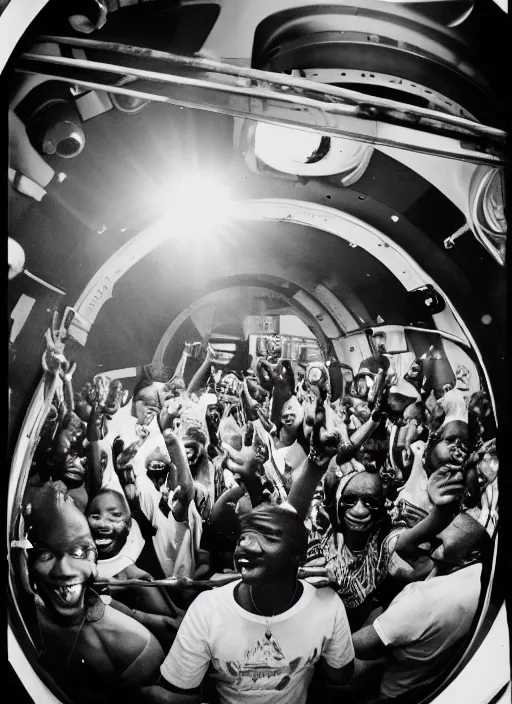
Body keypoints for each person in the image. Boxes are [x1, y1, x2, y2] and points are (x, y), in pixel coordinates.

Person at [141, 504, 355, 704]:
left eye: (269, 538)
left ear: (298, 556)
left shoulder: (327, 605)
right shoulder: (208, 609)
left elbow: (339, 675)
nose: (246, 545)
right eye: (243, 537)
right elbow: (179, 694)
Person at [24, 482, 165, 703]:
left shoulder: (135, 647)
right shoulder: (26, 610)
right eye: (45, 555)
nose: (64, 570)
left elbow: (171, 624)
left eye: (79, 552)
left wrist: (134, 590)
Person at [352, 510, 491, 701]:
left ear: (471, 556)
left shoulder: (423, 599)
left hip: (393, 691)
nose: (432, 544)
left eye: (440, 543)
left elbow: (357, 646)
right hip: (427, 677)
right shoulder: (479, 574)